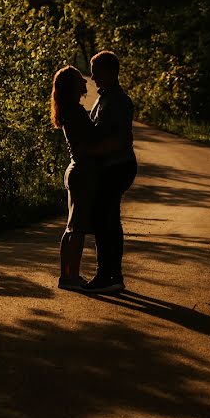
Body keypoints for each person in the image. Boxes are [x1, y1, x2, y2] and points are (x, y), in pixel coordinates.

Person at [82, 50, 137, 294]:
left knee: (106, 220)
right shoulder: (103, 97)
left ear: (110, 72)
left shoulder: (118, 101)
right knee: (107, 219)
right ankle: (111, 274)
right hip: (109, 166)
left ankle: (108, 275)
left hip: (117, 166)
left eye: (96, 72)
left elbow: (120, 141)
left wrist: (89, 151)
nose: (92, 78)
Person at [50, 65, 105, 290]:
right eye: (80, 80)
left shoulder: (71, 109)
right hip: (81, 171)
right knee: (76, 228)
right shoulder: (74, 111)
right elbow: (85, 147)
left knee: (73, 226)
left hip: (77, 170)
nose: (86, 83)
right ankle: (69, 277)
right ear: (73, 85)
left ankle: (69, 275)